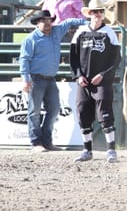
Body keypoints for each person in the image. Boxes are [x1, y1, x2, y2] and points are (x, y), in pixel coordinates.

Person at [19, 10, 86, 152]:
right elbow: (24, 59)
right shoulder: (30, 39)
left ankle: (47, 141)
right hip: (35, 78)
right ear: (38, 23)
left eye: (49, 20)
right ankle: (36, 142)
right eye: (44, 20)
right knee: (34, 111)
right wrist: (25, 79)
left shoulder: (56, 32)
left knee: (54, 109)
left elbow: (68, 22)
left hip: (50, 79)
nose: (48, 23)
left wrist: (88, 22)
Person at [70, 0, 121, 162]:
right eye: (94, 12)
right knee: (83, 112)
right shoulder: (80, 32)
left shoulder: (110, 33)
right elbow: (73, 58)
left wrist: (103, 75)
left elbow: (116, 60)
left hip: (102, 81)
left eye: (100, 11)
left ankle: (111, 150)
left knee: (105, 114)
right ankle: (87, 150)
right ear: (89, 14)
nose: (98, 14)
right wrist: (78, 75)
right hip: (84, 81)